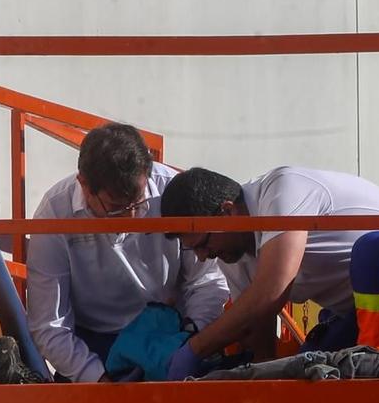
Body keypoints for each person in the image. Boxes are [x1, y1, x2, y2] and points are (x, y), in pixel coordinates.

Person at [161, 166, 379, 376]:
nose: (203, 258)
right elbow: (260, 345)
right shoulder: (236, 258)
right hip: (366, 313)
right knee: (311, 367)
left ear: (227, 211)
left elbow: (271, 292)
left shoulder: (281, 189)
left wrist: (195, 349)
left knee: (373, 252)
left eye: (202, 243)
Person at [23, 123, 227, 382]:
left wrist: (190, 342)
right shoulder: (54, 213)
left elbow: (206, 281)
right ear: (84, 185)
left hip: (170, 334)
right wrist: (97, 379)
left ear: (148, 172)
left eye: (138, 203)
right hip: (92, 347)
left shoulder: (173, 192)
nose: (131, 218)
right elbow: (50, 324)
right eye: (117, 208)